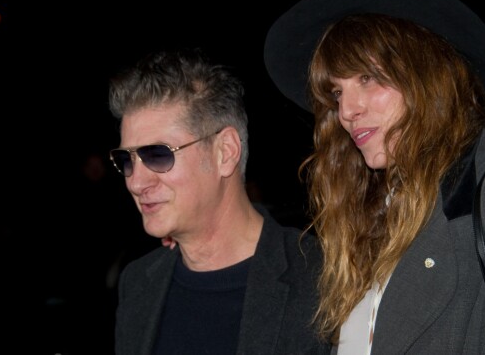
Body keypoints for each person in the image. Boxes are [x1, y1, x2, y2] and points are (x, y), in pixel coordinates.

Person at [263, 0, 485, 353]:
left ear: (428, 76)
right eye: (336, 92)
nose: (346, 110)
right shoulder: (366, 221)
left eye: (367, 78)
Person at [108, 48, 331, 355]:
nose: (135, 181)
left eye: (157, 155)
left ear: (225, 152)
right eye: (127, 160)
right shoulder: (138, 284)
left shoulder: (322, 279)